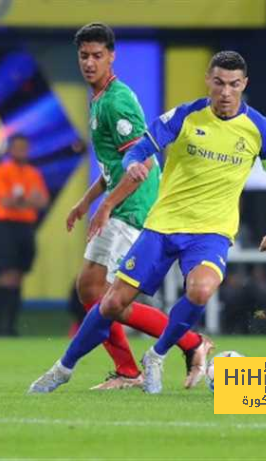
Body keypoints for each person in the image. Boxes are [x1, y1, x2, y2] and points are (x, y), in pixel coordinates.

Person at [29, 50, 266, 394]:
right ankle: (62, 369)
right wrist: (135, 162)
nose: (226, 92)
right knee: (111, 303)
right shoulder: (185, 116)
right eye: (220, 83)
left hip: (211, 232)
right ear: (208, 81)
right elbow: (142, 146)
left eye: (234, 85)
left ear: (244, 84)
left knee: (201, 289)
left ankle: (157, 354)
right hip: (163, 225)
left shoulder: (262, 130)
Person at [55, 22, 212, 391]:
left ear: (111, 56)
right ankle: (137, 367)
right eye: (84, 56)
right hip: (120, 202)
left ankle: (185, 345)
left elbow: (139, 167)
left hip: (133, 206)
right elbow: (114, 166)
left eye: (97, 56)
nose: (89, 63)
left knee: (105, 295)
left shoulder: (118, 101)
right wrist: (85, 201)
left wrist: (106, 205)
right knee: (92, 291)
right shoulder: (99, 98)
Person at [0, 134, 49, 336]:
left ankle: (10, 326)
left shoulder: (34, 173)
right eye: (18, 147)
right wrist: (27, 200)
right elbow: (5, 201)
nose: (22, 151)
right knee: (6, 274)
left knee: (19, 275)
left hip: (26, 227)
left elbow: (42, 202)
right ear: (10, 149)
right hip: (7, 226)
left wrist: (21, 200)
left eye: (25, 147)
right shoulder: (1, 171)